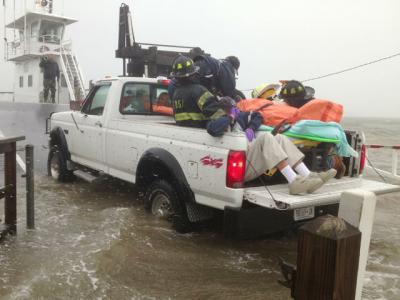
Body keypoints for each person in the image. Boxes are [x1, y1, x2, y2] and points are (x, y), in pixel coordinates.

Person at [206, 100, 337, 194]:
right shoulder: (217, 121)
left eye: (234, 108)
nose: (235, 111)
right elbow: (213, 130)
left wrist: (251, 127)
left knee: (280, 138)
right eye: (230, 109)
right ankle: (293, 181)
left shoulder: (241, 117)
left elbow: (257, 116)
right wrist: (230, 118)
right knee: (266, 137)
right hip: (242, 166)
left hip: (250, 158)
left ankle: (308, 175)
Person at [170, 55, 227, 128]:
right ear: (193, 72)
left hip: (183, 133)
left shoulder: (175, 94)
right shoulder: (199, 91)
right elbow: (216, 113)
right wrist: (228, 117)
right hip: (201, 134)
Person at [168, 54, 241, 100]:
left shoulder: (219, 63)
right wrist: (234, 113)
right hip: (204, 73)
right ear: (235, 68)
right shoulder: (229, 72)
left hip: (198, 63)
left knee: (178, 82)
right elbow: (230, 97)